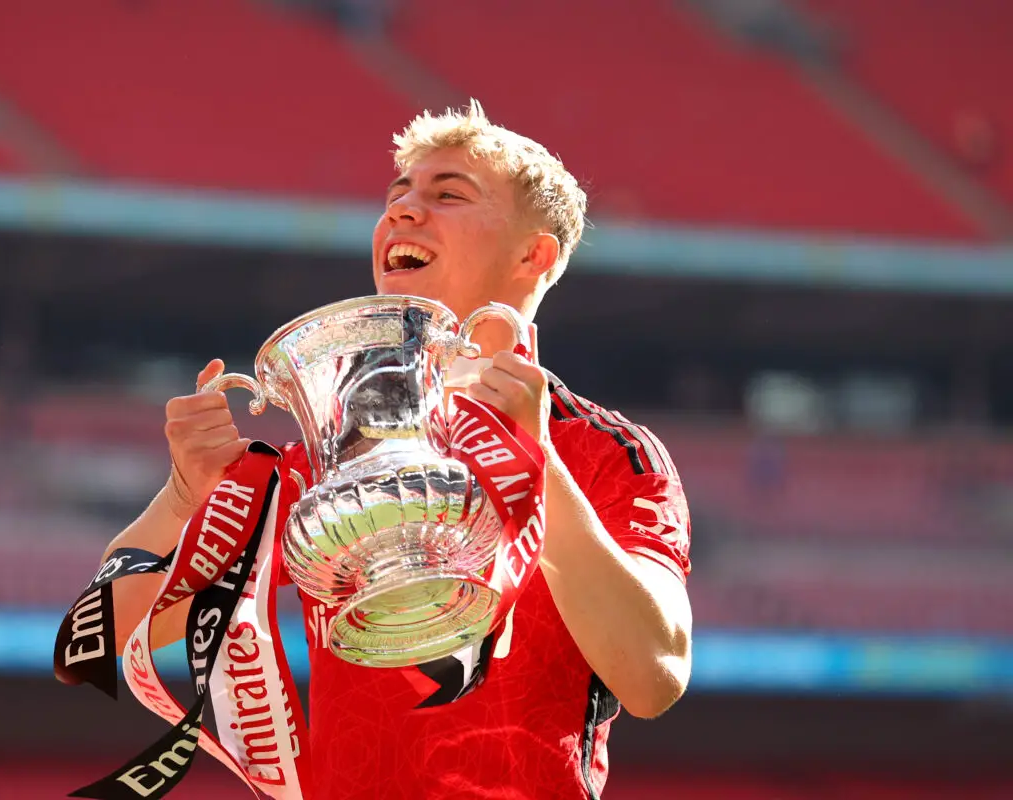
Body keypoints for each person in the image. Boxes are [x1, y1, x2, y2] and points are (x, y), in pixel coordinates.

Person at [103, 100, 693, 800]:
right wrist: (181, 497)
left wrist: (538, 466)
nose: (403, 213)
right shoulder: (338, 456)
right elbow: (105, 633)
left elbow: (655, 676)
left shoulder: (607, 453)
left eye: (448, 194)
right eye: (397, 196)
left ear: (534, 254)